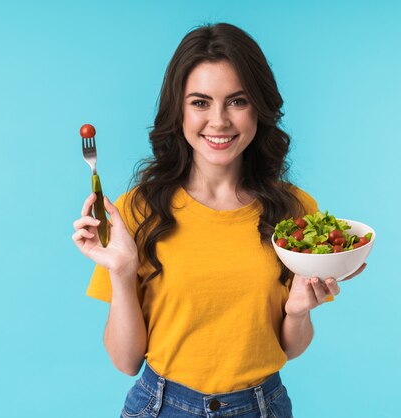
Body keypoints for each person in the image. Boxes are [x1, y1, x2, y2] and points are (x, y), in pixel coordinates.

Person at [72, 22, 365, 418]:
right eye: (200, 102)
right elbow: (126, 363)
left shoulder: (295, 213)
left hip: (262, 405)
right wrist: (122, 273)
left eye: (237, 101)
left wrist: (297, 311)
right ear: (178, 111)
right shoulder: (136, 210)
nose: (219, 121)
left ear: (258, 108)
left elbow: (290, 349)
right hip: (161, 406)